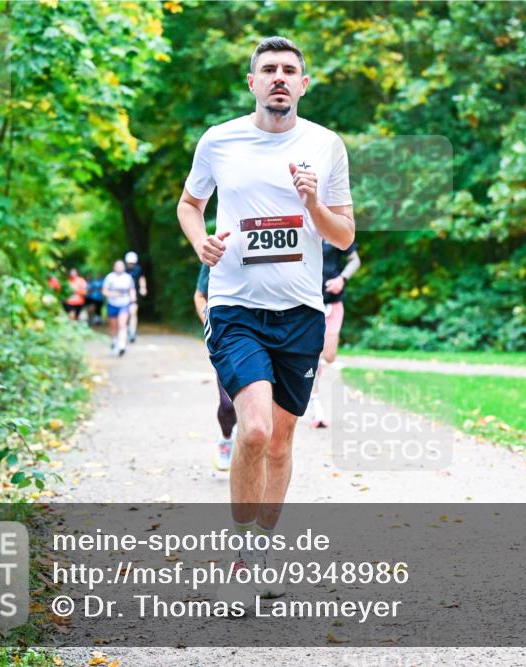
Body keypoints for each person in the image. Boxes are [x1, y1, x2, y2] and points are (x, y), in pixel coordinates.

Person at [176, 36, 354, 601]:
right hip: (235, 308)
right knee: (251, 429)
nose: (279, 78)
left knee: (280, 441)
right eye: (268, 69)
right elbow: (189, 204)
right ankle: (241, 556)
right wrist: (201, 241)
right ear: (251, 81)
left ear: (304, 84)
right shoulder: (219, 141)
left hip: (300, 312)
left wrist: (314, 205)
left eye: (290, 71)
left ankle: (265, 546)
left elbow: (344, 234)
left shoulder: (326, 147)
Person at [307, 240, 361, 427]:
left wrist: (342, 279)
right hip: (305, 303)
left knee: (328, 357)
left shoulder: (337, 226)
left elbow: (355, 260)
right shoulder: (301, 224)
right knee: (312, 358)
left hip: (332, 302)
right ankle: (317, 408)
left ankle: (304, 385)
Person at [194, 263, 238, 471]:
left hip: (268, 333)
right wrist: (210, 320)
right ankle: (227, 438)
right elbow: (200, 295)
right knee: (228, 404)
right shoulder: (219, 248)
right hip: (227, 335)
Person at [101, 260, 136, 356]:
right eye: (117, 266)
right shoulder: (109, 277)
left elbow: (132, 290)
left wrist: (133, 303)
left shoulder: (128, 278)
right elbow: (104, 291)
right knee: (113, 326)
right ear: (114, 267)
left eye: (121, 266)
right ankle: (114, 341)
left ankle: (122, 345)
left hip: (124, 304)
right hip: (112, 304)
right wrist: (113, 294)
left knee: (122, 324)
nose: (119, 268)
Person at [124, 251, 148, 343]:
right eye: (130, 263)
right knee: (126, 314)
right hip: (123, 295)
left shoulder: (138, 269)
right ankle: (125, 329)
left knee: (133, 312)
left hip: (134, 294)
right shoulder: (123, 269)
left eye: (133, 263)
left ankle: (132, 332)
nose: (131, 265)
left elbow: (142, 278)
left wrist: (143, 288)